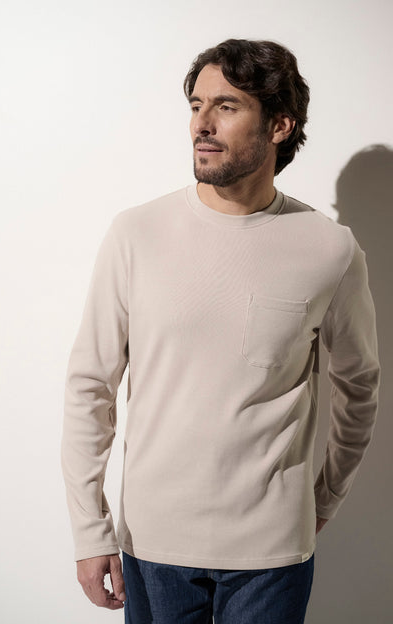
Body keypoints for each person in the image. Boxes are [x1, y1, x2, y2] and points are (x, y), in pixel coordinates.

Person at [61, 39, 380, 623]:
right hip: (153, 544)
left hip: (272, 554)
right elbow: (90, 388)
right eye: (195, 105)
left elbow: (360, 388)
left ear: (279, 125)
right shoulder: (137, 234)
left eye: (226, 107)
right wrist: (89, 530)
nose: (201, 125)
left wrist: (324, 499)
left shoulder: (330, 249)